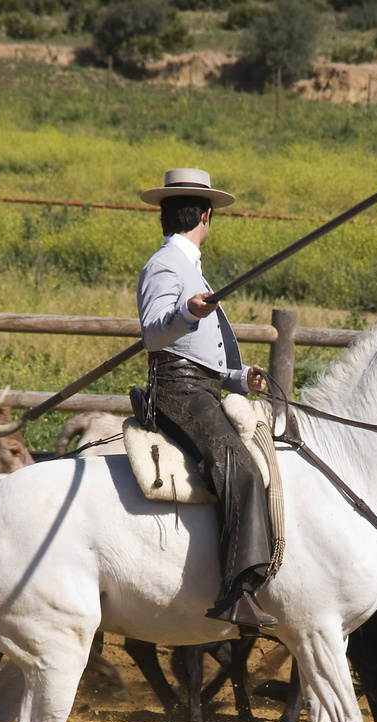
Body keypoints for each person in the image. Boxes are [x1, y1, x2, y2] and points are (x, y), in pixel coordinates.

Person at [137, 167, 276, 629]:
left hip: (200, 386)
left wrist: (238, 377)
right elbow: (155, 335)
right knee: (239, 465)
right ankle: (237, 593)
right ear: (207, 216)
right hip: (177, 392)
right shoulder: (165, 265)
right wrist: (186, 311)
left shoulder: (188, 265)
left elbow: (197, 354)